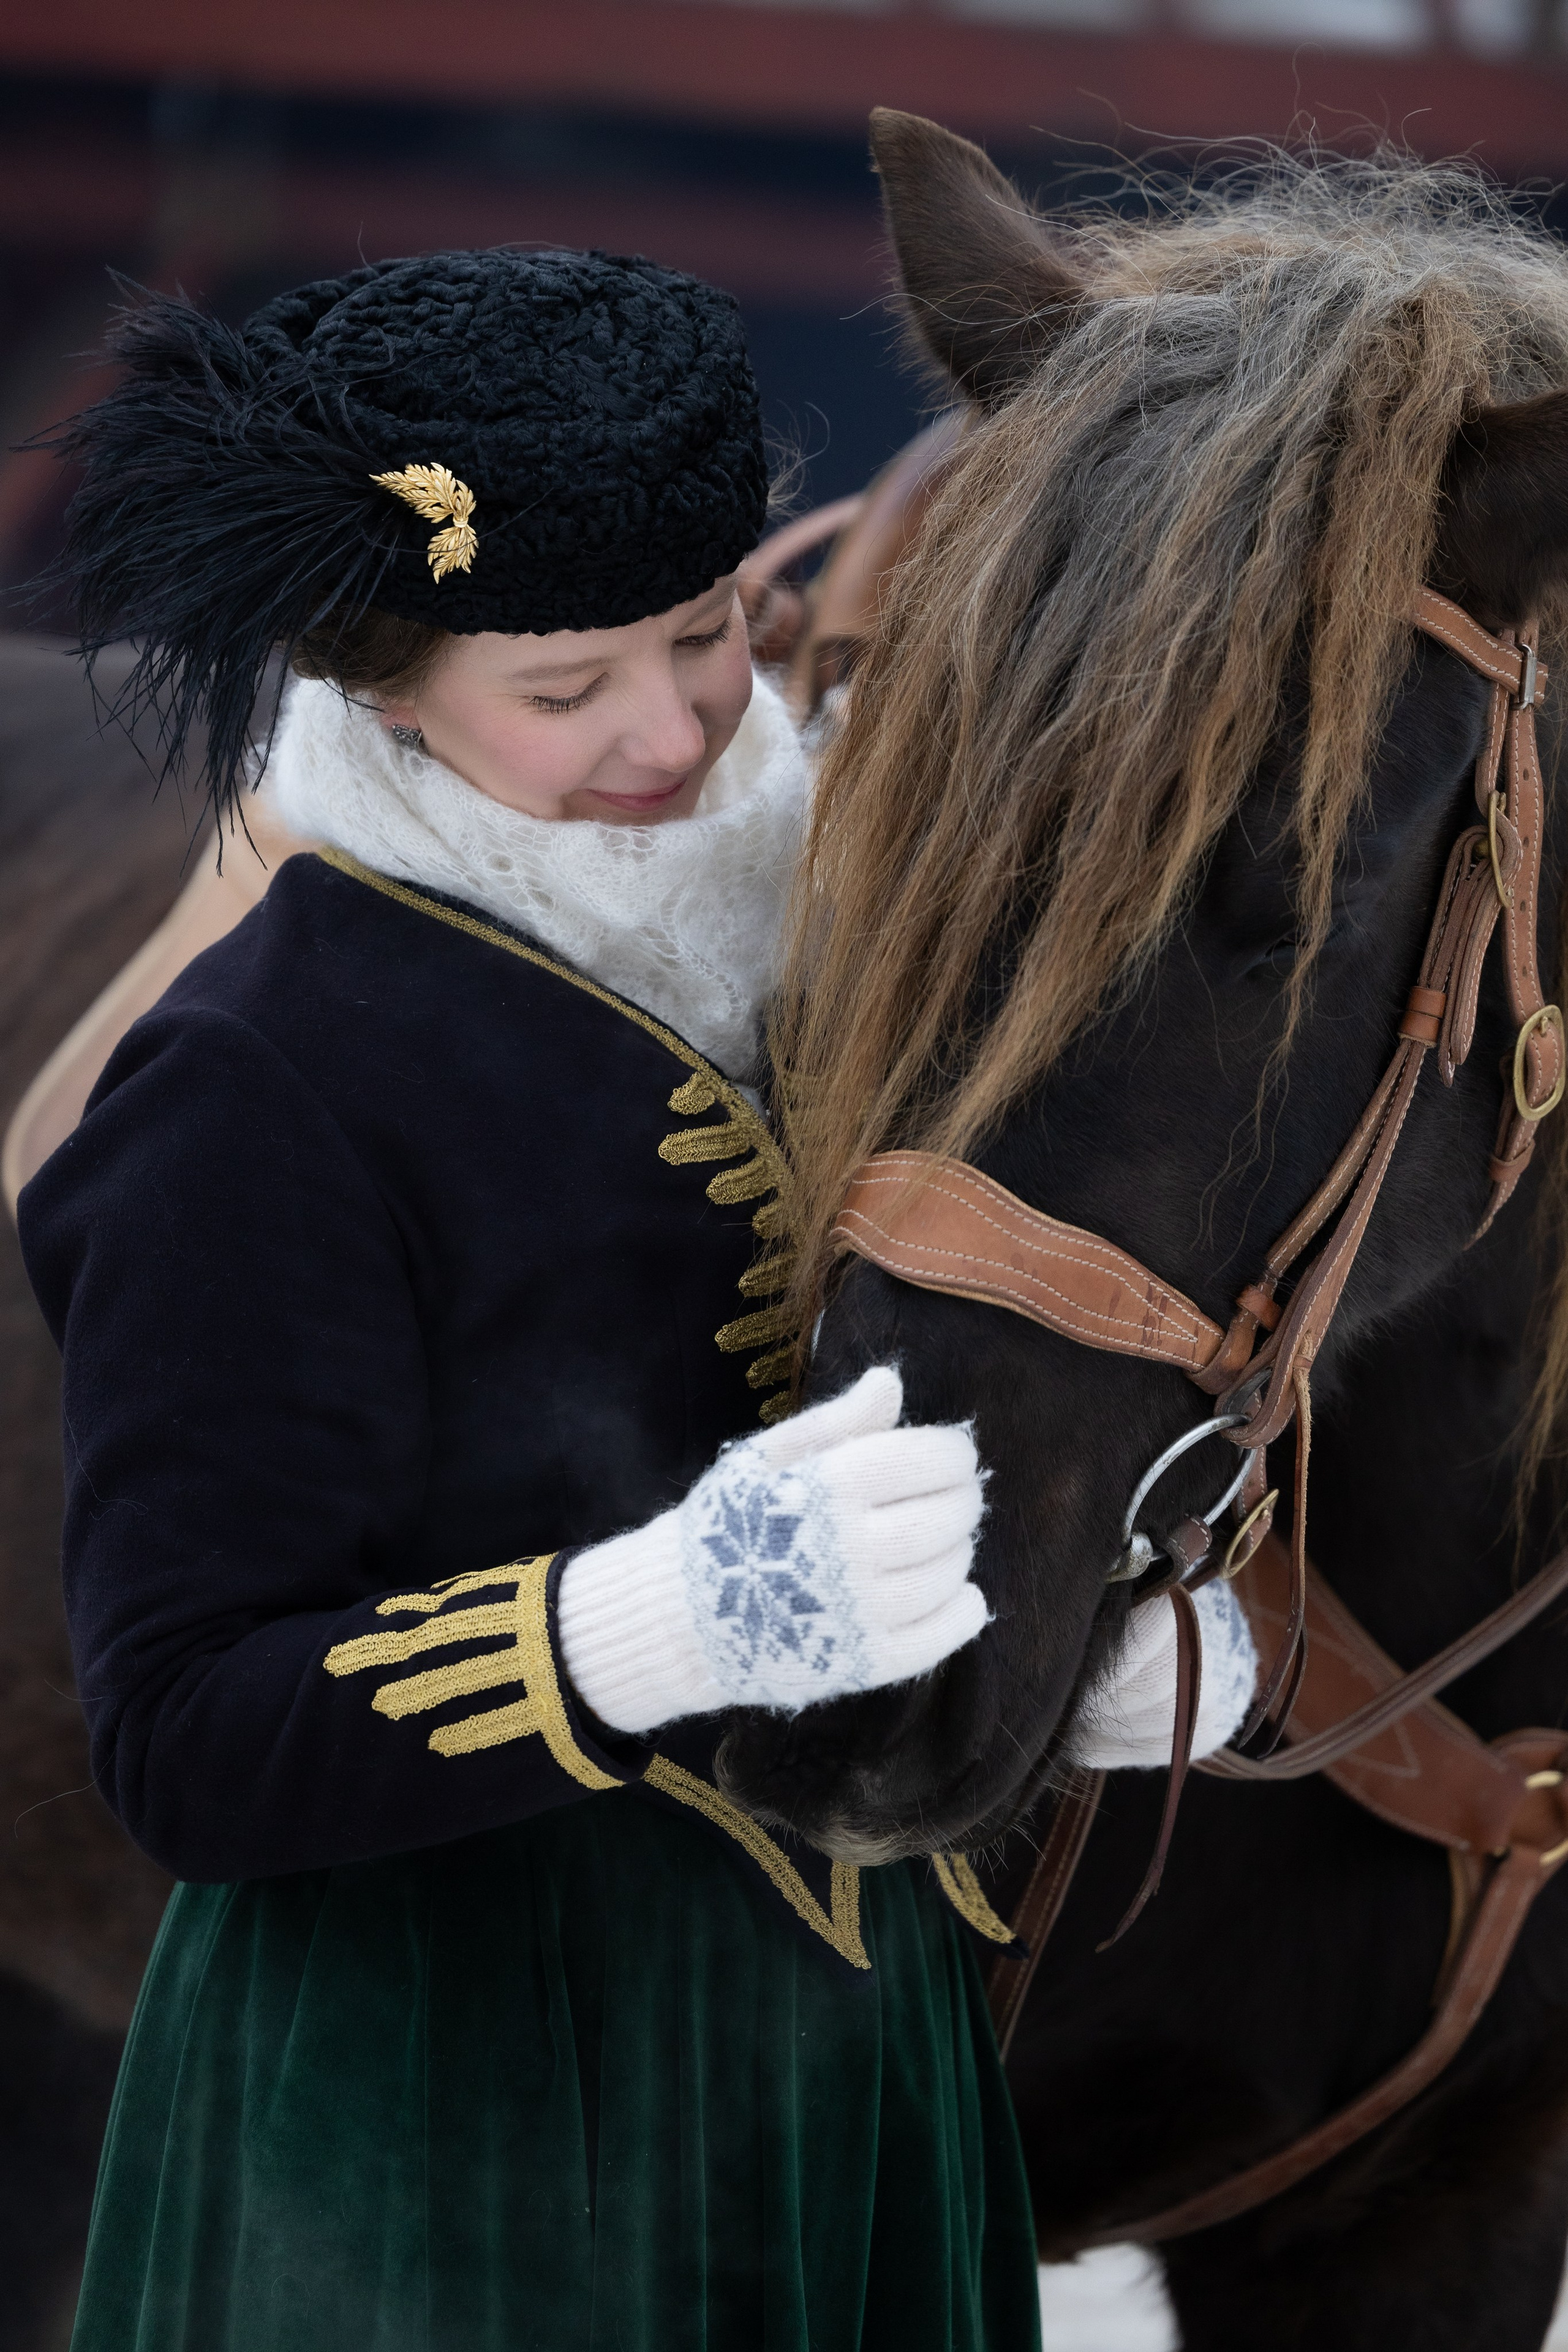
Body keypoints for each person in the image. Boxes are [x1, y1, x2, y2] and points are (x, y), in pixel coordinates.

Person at [17, 247, 1047, 2352]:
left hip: (858, 2072)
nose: (668, 733)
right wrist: (655, 1622)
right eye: (564, 694)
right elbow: (188, 1740)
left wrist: (1060, 1652)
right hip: (450, 2098)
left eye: (707, 639)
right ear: (381, 691)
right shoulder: (251, 1081)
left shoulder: (891, 930)